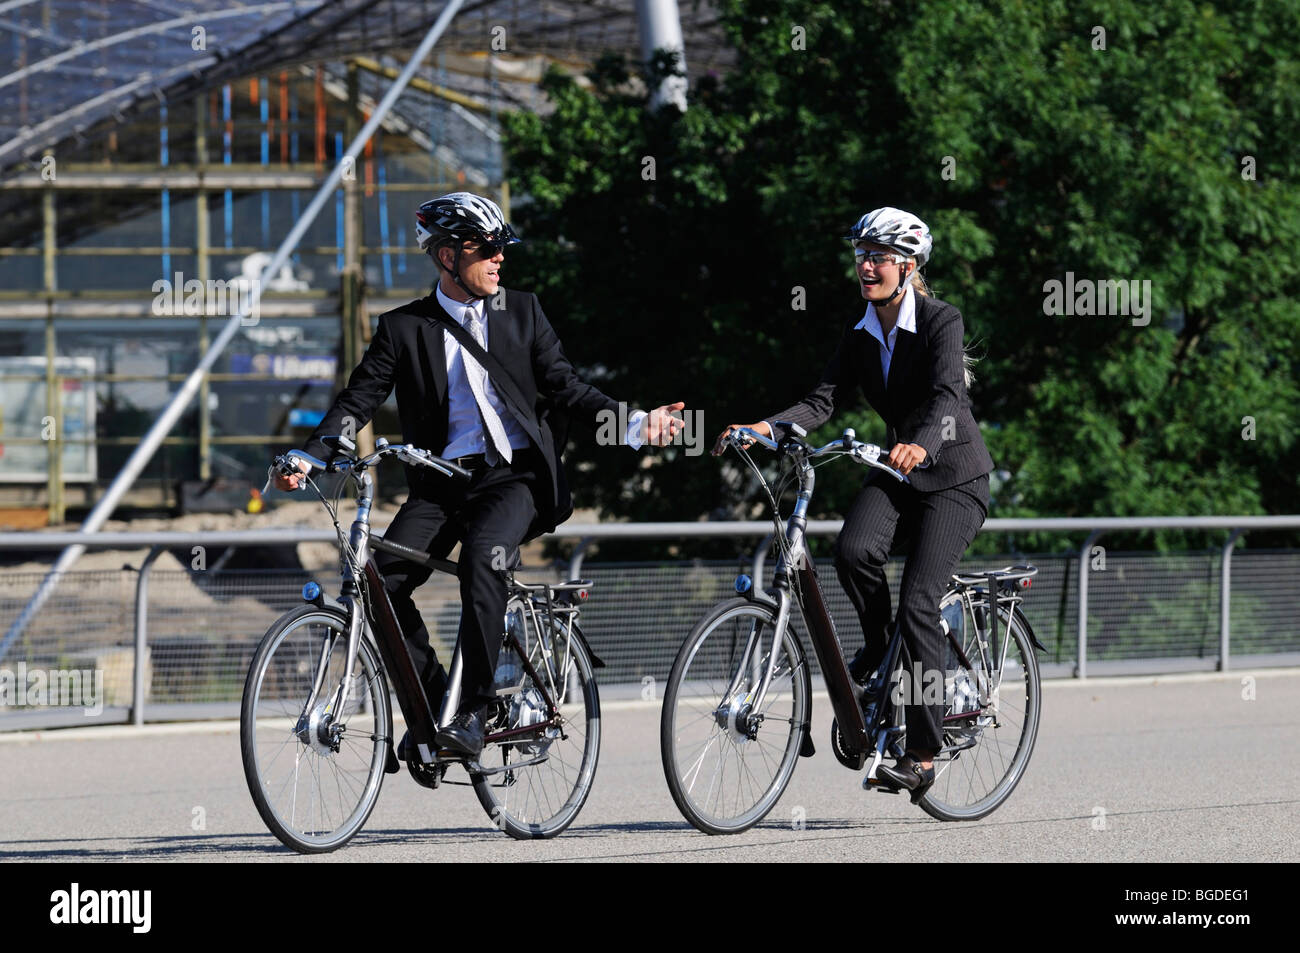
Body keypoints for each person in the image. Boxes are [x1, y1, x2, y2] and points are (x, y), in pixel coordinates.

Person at [276, 191, 685, 758]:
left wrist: (636, 424)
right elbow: (359, 398)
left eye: (502, 248)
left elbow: (568, 387)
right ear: (447, 256)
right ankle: (434, 710)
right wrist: (310, 456)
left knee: (482, 558)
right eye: (487, 248)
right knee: (382, 583)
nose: (499, 259)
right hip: (441, 482)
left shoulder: (522, 311)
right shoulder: (403, 329)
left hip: (513, 478)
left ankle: (473, 710)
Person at [714, 206, 992, 799]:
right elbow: (822, 401)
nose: (866, 265)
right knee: (852, 550)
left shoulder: (942, 320)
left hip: (953, 477)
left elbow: (948, 395)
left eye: (879, 256)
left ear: (907, 266)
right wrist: (763, 428)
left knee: (920, 600)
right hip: (898, 469)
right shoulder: (861, 329)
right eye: (861, 254)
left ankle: (921, 752)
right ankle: (881, 650)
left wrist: (921, 442)